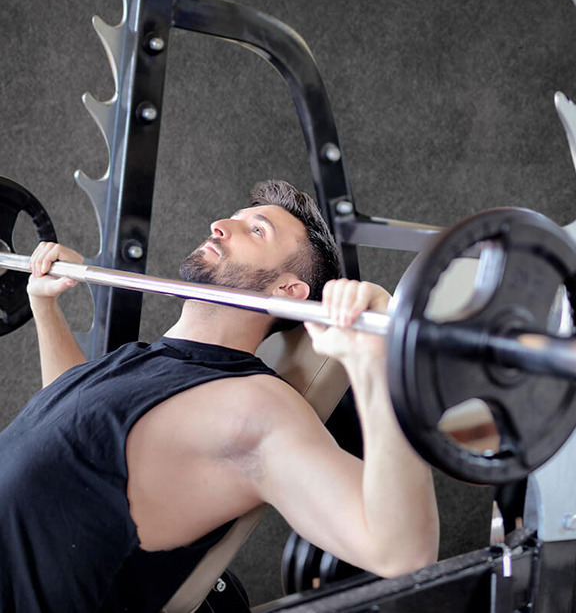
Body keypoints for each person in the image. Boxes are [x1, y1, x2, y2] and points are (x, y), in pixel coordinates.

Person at [0, 180, 439, 612]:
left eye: (257, 230)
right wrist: (44, 306)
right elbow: (69, 433)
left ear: (288, 290)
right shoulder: (142, 358)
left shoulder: (252, 405)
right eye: (235, 218)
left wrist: (380, 362)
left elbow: (400, 551)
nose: (220, 225)